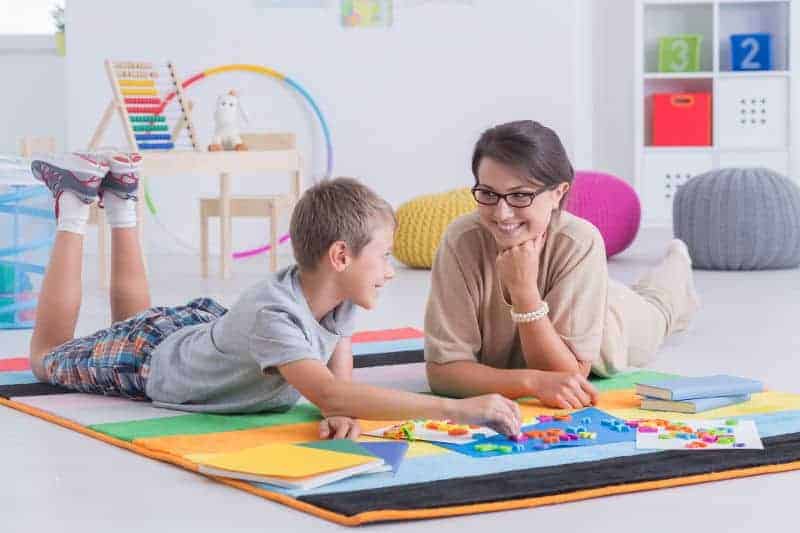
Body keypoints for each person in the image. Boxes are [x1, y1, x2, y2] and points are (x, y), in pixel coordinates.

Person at [28, 156, 522, 440]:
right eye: (385, 257)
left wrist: (342, 411)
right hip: (150, 361)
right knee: (45, 359)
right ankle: (75, 206)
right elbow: (328, 392)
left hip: (205, 328)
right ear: (341, 256)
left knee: (134, 318)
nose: (391, 272)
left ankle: (122, 199)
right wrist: (459, 410)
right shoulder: (276, 316)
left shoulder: (341, 293)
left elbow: (337, 381)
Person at [424, 120, 699, 410]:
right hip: (575, 294)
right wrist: (530, 383)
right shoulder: (460, 240)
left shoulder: (579, 241)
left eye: (520, 195)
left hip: (612, 323)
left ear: (558, 193)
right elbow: (443, 373)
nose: (502, 213)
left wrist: (524, 291)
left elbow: (566, 376)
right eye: (488, 194)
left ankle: (677, 260)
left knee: (662, 305)